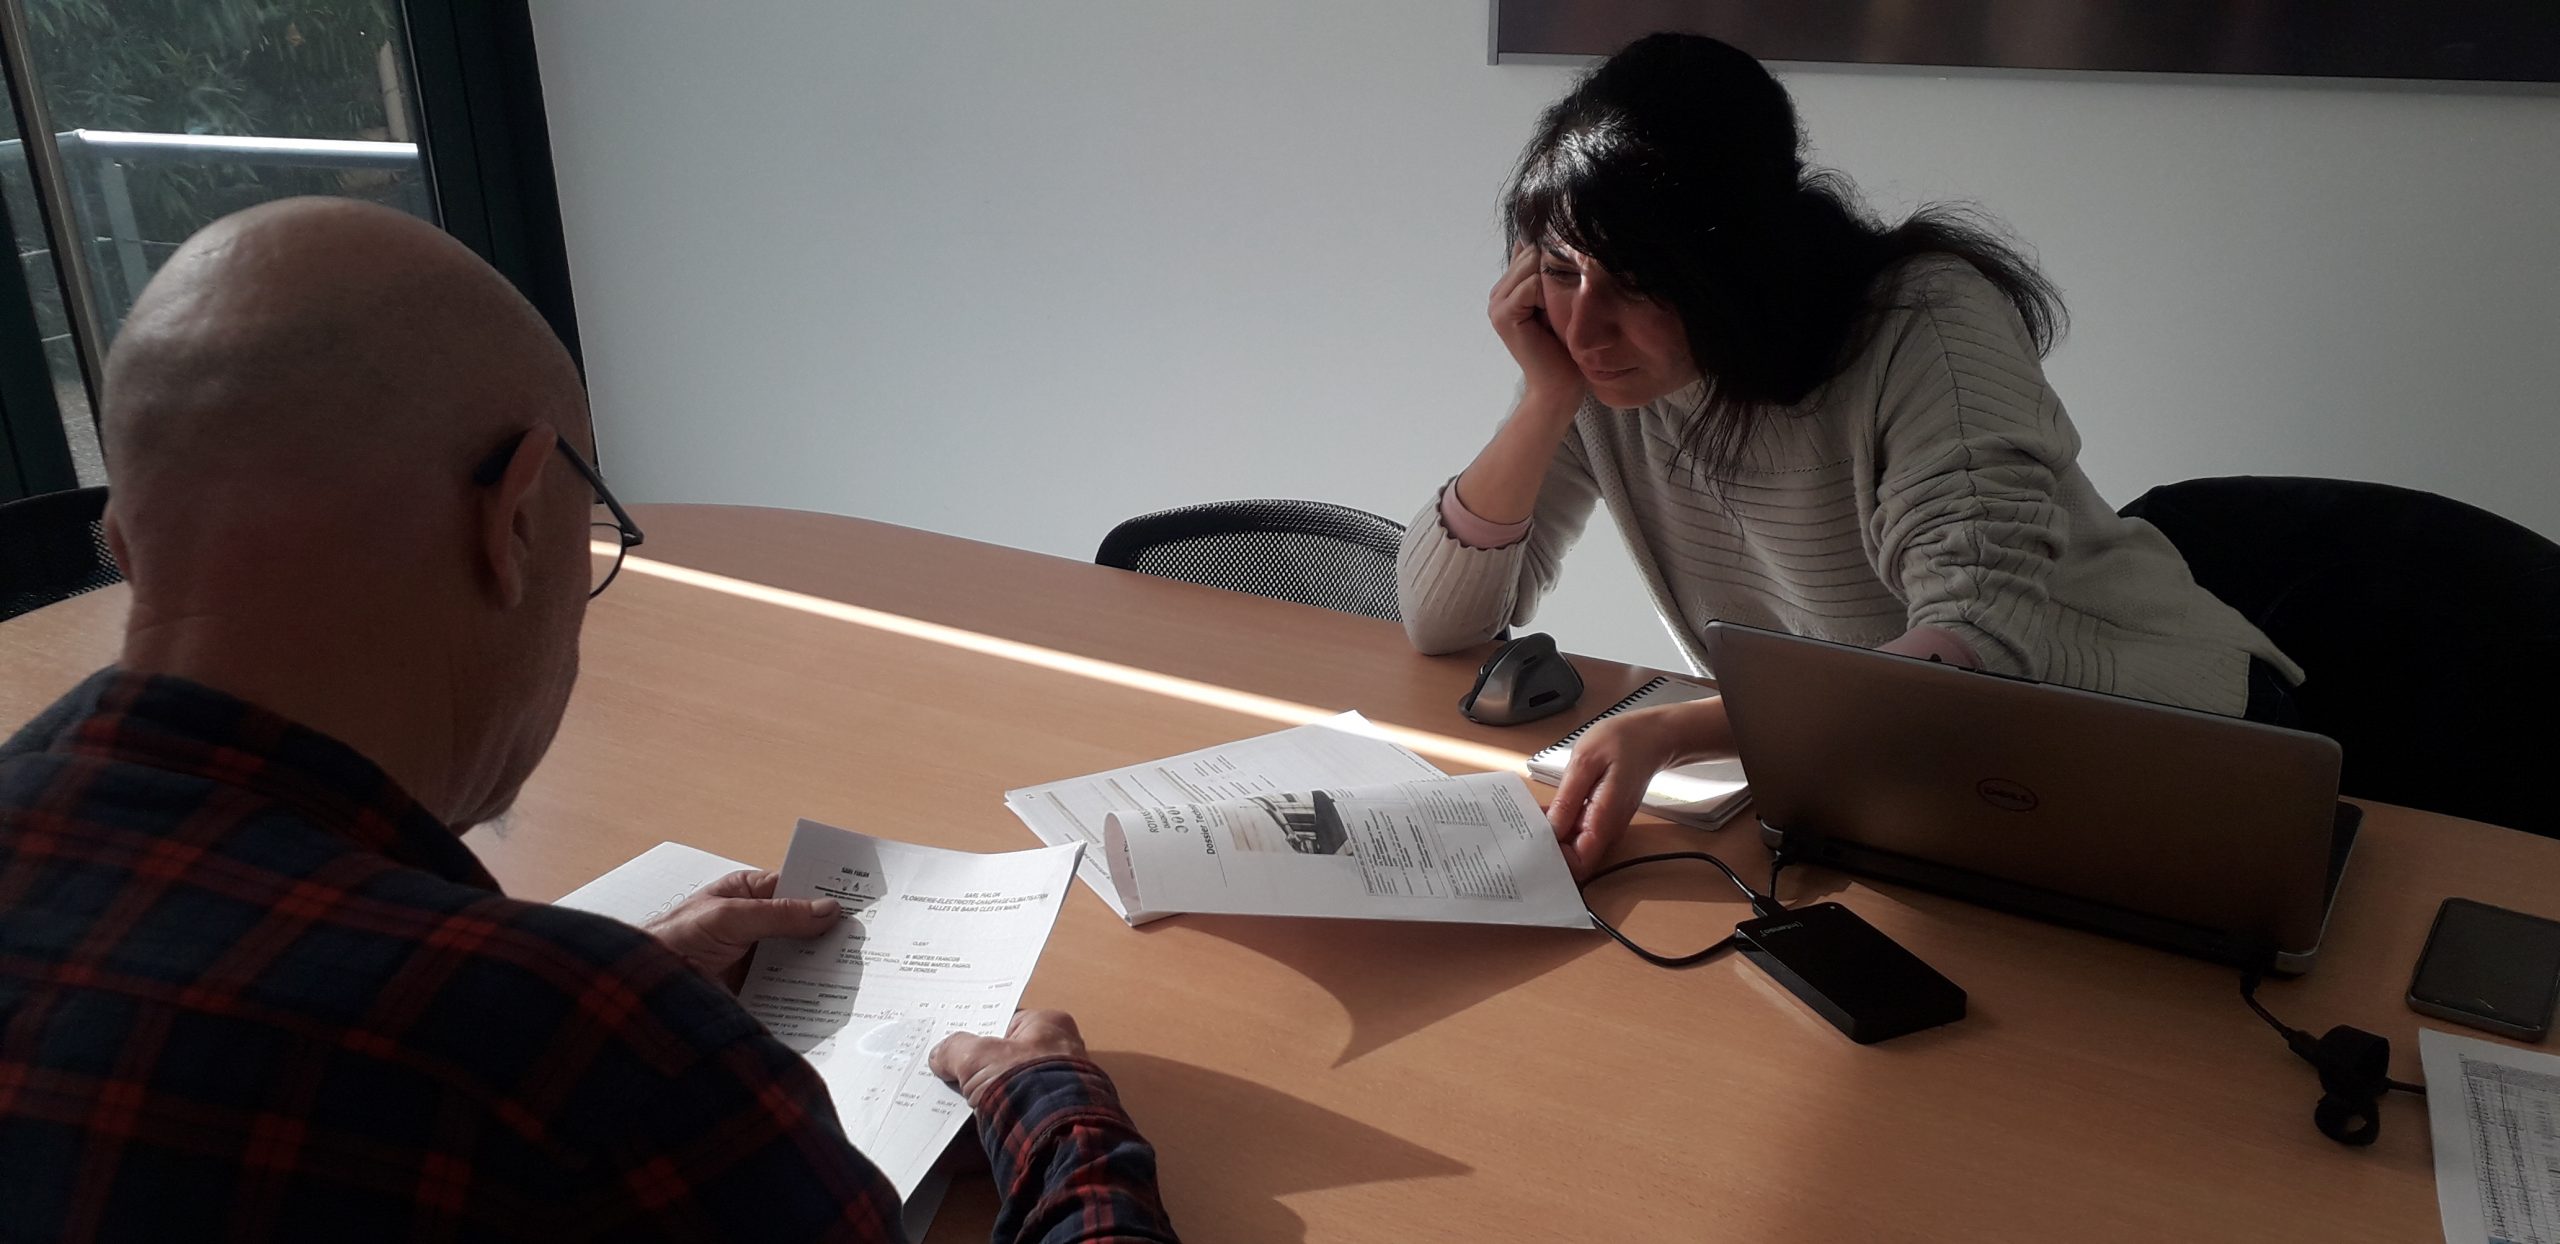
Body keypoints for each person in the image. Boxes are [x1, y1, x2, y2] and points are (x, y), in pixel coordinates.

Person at [0, 198, 1177, 1242]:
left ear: (125, 535)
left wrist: (619, 984)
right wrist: (1055, 1116)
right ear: (513, 521)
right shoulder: (584, 1070)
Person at [1395, 34, 2301, 874]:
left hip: (2159, 740)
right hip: (1901, 760)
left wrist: (1681, 729)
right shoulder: (1597, 372)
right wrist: (1547, 400)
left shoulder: (1924, 324)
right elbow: (1444, 624)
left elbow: (1978, 639)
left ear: (1735, 266)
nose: (1585, 328)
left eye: (1637, 284)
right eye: (1560, 272)